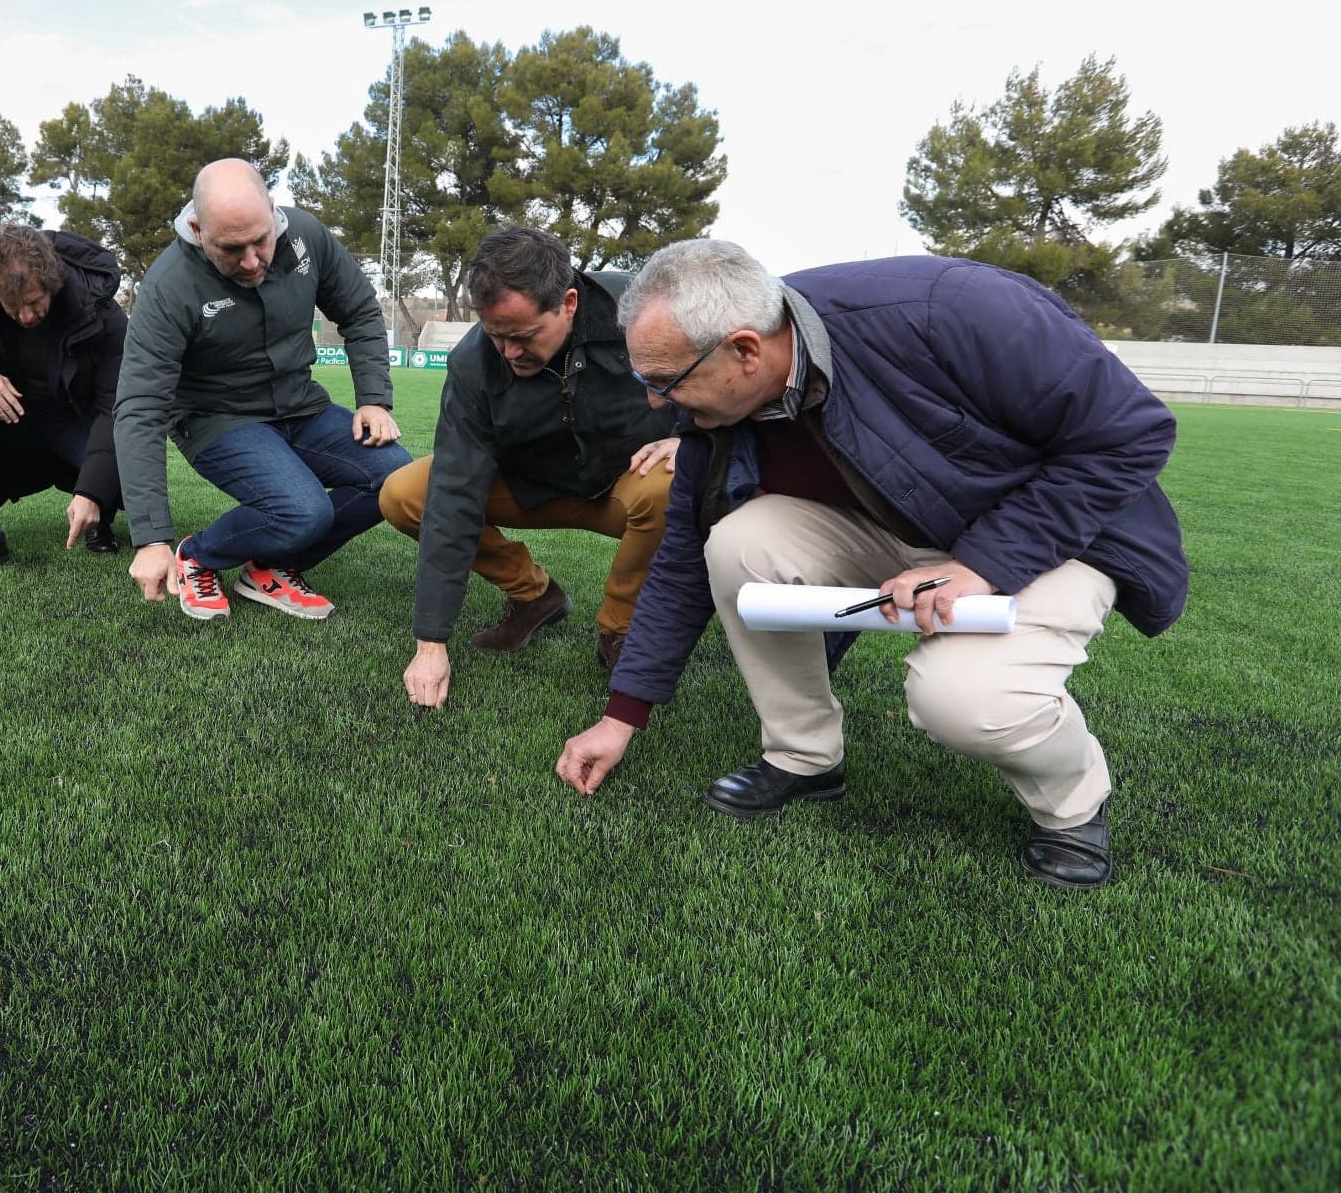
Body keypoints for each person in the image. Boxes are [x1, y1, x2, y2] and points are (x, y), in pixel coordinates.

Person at [553, 239, 1188, 890]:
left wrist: (982, 563)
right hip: (893, 529)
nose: (656, 405)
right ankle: (804, 756)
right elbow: (683, 559)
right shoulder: (715, 405)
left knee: (964, 699)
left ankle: (1073, 807)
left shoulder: (953, 308)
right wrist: (621, 715)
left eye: (666, 382)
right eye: (645, 382)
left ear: (746, 350)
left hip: (1052, 538)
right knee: (735, 544)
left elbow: (1131, 433)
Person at [380, 226, 679, 707]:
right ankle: (535, 596)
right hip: (527, 485)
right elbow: (454, 492)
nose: (510, 353)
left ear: (569, 302)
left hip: (624, 485)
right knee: (405, 493)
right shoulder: (473, 362)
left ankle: (620, 631)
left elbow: (710, 368)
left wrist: (688, 436)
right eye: (496, 336)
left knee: (674, 482)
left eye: (524, 336)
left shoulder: (643, 308)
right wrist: (431, 643)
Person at [115, 158, 411, 620]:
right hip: (218, 418)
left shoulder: (307, 235)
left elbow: (359, 311)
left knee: (397, 479)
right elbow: (139, 407)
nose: (252, 261)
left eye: (260, 241)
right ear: (197, 228)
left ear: (272, 210)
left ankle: (269, 567)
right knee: (303, 510)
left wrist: (373, 398)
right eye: (232, 249)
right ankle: (198, 555)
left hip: (300, 405)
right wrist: (152, 537)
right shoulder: (169, 286)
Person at [0, 223, 128, 577]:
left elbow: (114, 407)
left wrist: (93, 490)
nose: (26, 316)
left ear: (52, 282)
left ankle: (99, 517)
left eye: (34, 302)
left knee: (128, 452)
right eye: (13, 307)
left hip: (77, 420)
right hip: (14, 419)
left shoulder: (99, 308)